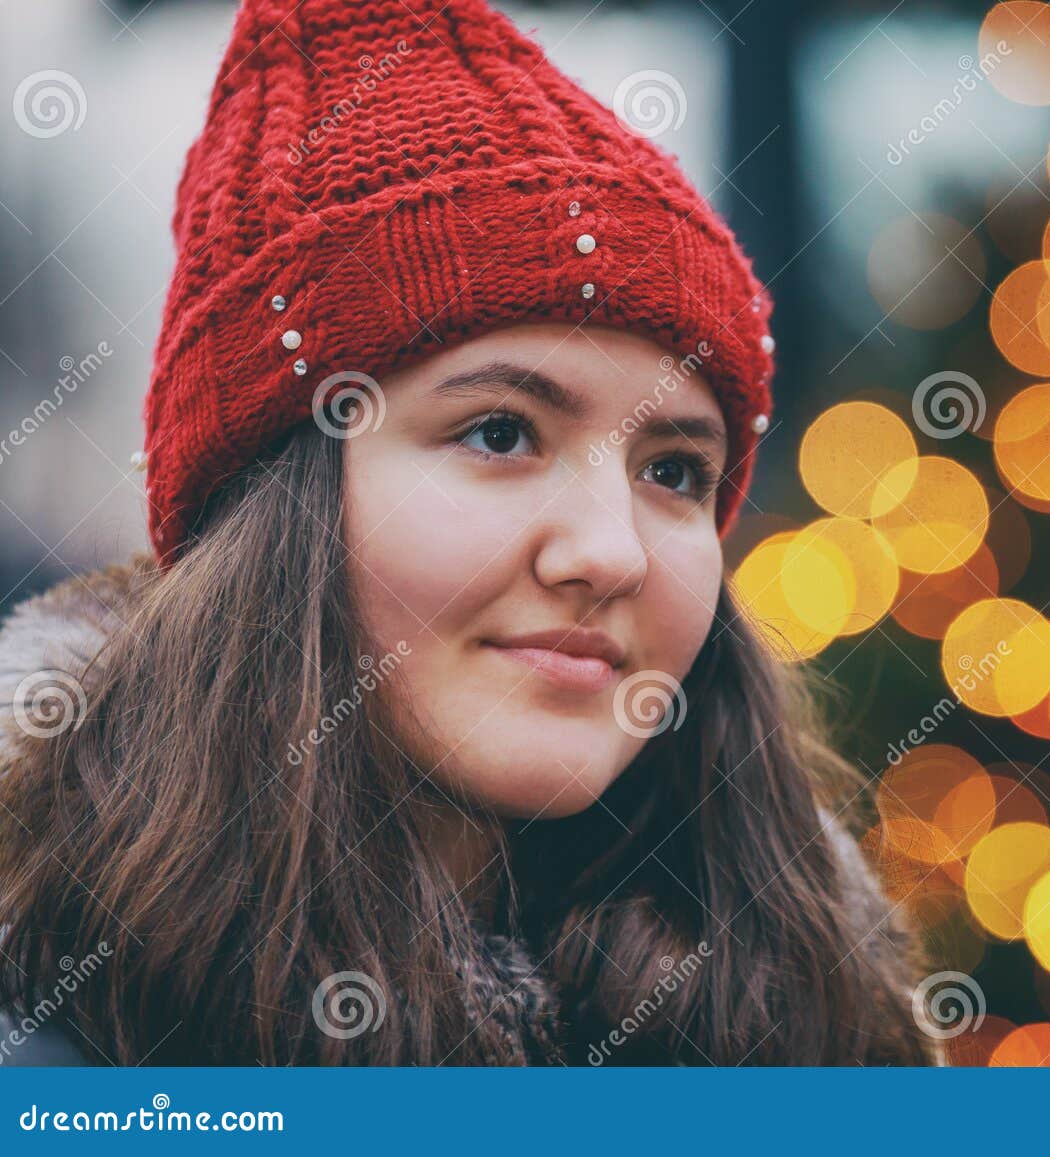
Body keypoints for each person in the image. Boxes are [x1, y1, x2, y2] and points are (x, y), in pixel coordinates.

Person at [0, 0, 935, 1066]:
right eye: (500, 431)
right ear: (269, 503)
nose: (612, 551)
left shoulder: (815, 1017)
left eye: (674, 470)